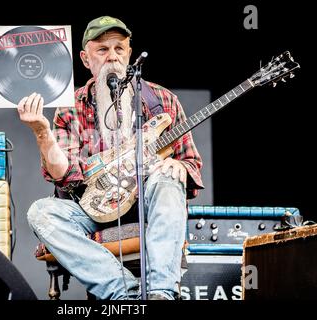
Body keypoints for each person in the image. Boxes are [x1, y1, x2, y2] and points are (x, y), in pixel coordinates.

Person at [18, 16, 203, 300]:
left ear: (129, 54)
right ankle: (122, 292)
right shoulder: (70, 108)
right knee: (41, 212)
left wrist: (178, 165)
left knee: (169, 178)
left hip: (147, 203)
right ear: (85, 58)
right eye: (102, 50)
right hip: (93, 209)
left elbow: (190, 162)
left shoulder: (163, 101)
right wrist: (42, 133)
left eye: (119, 49)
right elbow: (63, 175)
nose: (112, 57)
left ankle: (161, 294)